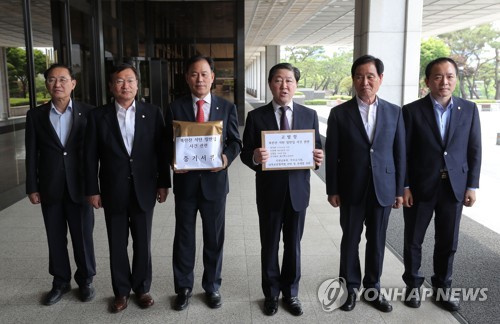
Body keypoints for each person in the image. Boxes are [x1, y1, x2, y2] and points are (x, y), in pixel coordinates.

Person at [84, 63, 171, 313]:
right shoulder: (98, 116)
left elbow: (161, 151)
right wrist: (93, 189)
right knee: (117, 243)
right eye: (120, 81)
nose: (126, 85)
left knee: (143, 241)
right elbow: (90, 156)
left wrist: (163, 183)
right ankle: (121, 291)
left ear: (137, 84)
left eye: (130, 80)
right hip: (113, 189)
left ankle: (142, 288)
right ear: (111, 86)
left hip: (145, 187)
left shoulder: (153, 113)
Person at [240, 63, 324, 316]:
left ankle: (291, 293)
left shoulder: (308, 115)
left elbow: (316, 148)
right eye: (278, 80)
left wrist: (318, 157)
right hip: (269, 192)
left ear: (296, 85)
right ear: (270, 84)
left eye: (289, 80)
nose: (284, 86)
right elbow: (245, 154)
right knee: (269, 244)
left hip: (298, 191)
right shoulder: (256, 117)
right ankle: (271, 293)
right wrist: (255, 156)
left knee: (293, 244)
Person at [325, 54, 405, 313]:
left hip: (383, 188)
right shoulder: (339, 114)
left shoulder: (394, 112)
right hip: (351, 189)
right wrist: (332, 189)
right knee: (350, 240)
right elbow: (333, 154)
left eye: (370, 76)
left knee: (377, 240)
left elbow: (399, 153)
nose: (365, 82)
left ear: (380, 79)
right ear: (353, 79)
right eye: (359, 76)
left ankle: (373, 289)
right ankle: (349, 290)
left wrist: (399, 189)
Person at [402, 57, 481, 311]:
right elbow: (403, 152)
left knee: (448, 241)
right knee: (414, 240)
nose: (444, 82)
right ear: (427, 81)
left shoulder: (469, 110)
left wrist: (472, 186)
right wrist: (404, 186)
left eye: (449, 76)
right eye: (438, 77)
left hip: (454, 188)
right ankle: (413, 286)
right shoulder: (412, 111)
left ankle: (443, 288)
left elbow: (474, 150)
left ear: (455, 80)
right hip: (420, 187)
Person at [170, 55, 241, 311]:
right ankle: (184, 287)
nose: (199, 79)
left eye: (204, 74)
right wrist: (173, 160)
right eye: (193, 74)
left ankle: (212, 286)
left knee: (214, 238)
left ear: (212, 77)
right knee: (184, 238)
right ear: (187, 78)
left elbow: (236, 142)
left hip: (214, 184)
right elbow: (166, 143)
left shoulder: (227, 107)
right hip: (186, 184)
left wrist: (225, 158)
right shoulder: (175, 107)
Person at [25, 63, 96, 305]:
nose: (58, 84)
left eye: (63, 79)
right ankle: (60, 281)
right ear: (47, 85)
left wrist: (95, 187)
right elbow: (32, 153)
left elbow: (96, 153)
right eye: (52, 80)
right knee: (55, 236)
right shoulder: (36, 115)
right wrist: (32, 186)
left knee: (82, 236)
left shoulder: (89, 113)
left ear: (73, 84)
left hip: (81, 186)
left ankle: (85, 280)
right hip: (50, 186)